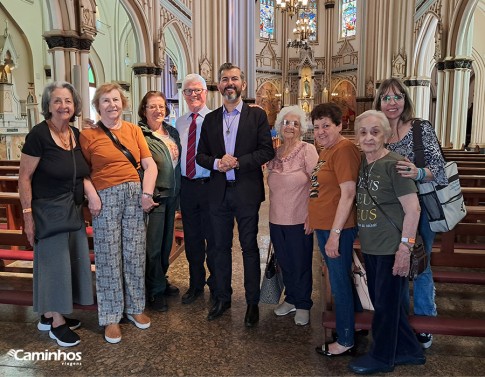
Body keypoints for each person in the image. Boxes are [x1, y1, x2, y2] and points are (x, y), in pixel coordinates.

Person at [196, 62, 275, 327]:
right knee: (219, 248)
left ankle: (252, 301)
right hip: (218, 194)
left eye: (235, 79)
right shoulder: (211, 119)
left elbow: (267, 151)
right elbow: (201, 156)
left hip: (246, 193)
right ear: (218, 85)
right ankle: (222, 297)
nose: (230, 83)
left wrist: (238, 162)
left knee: (250, 248)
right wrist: (218, 163)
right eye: (224, 79)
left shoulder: (257, 116)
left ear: (243, 84)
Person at [80, 82, 158, 344]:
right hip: (105, 197)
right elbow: (81, 172)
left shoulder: (134, 130)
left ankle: (135, 307)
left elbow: (149, 166)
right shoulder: (88, 135)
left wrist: (146, 195)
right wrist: (92, 196)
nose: (112, 105)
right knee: (108, 256)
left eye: (115, 100)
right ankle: (111, 317)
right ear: (97, 105)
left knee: (135, 253)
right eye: (105, 101)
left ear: (123, 103)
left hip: (135, 194)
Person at [19, 81, 94, 347]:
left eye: (68, 101)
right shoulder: (39, 135)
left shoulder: (74, 133)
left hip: (71, 209)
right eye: (58, 101)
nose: (64, 106)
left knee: (66, 265)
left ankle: (50, 314)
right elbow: (24, 178)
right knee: (53, 266)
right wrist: (28, 216)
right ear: (48, 106)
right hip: (48, 210)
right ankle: (56, 323)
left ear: (75, 107)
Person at [349, 110, 425, 374]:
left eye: (375, 131)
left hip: (391, 248)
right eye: (363, 132)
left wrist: (405, 247)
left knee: (384, 306)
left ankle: (382, 358)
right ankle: (410, 351)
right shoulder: (362, 163)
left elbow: (413, 209)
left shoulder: (396, 164)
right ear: (357, 136)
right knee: (386, 302)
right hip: (372, 246)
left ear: (386, 135)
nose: (369, 137)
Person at [374, 78, 447, 349]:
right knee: (396, 266)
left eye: (397, 97)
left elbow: (439, 169)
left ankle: (427, 321)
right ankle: (400, 319)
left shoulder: (420, 128)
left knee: (420, 264)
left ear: (405, 99)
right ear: (378, 102)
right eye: (386, 98)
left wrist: (417, 173)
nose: (392, 103)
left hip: (420, 210)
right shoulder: (377, 132)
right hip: (389, 214)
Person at [309, 103, 361, 356]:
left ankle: (346, 340)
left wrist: (335, 235)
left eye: (326, 126)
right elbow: (322, 188)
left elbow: (348, 193)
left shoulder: (344, 149)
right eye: (317, 126)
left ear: (340, 125)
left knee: (339, 283)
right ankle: (356, 324)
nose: (320, 131)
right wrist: (312, 216)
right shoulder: (327, 150)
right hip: (325, 225)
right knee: (340, 281)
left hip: (336, 229)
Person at [267, 105, 318, 326]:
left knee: (301, 263)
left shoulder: (308, 150)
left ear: (301, 129)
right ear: (280, 126)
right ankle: (291, 299)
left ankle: (304, 303)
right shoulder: (275, 152)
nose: (290, 127)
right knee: (285, 263)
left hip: (299, 218)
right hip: (276, 218)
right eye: (286, 122)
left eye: (295, 123)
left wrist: (312, 214)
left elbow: (317, 184)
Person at [137, 91, 181, 312]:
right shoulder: (140, 133)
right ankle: (153, 290)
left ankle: (161, 280)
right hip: (155, 197)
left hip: (172, 195)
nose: (158, 110)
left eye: (161, 106)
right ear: (144, 110)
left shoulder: (171, 131)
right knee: (152, 246)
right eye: (152, 106)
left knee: (166, 244)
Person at [176, 74, 215, 304]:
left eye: (197, 90)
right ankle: (196, 284)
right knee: (192, 239)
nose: (193, 95)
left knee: (214, 238)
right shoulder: (180, 122)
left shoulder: (214, 119)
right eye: (189, 91)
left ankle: (217, 283)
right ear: (184, 95)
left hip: (209, 186)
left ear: (205, 92)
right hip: (188, 187)